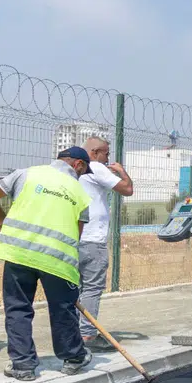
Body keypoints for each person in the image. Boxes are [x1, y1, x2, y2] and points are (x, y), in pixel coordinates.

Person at [0, 147, 93, 382]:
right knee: (62, 309)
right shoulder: (80, 193)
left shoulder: (26, 174)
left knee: (18, 308)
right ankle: (73, 358)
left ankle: (23, 365)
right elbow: (77, 234)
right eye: (83, 171)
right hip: (58, 260)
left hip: (19, 253)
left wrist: (2, 220)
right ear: (78, 165)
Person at [76, 137, 133, 352]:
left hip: (75, 237)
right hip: (92, 240)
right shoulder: (95, 167)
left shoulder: (75, 169)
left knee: (77, 288)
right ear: (96, 152)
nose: (108, 158)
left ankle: (75, 331)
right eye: (107, 153)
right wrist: (121, 171)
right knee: (91, 288)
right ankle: (88, 335)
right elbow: (127, 189)